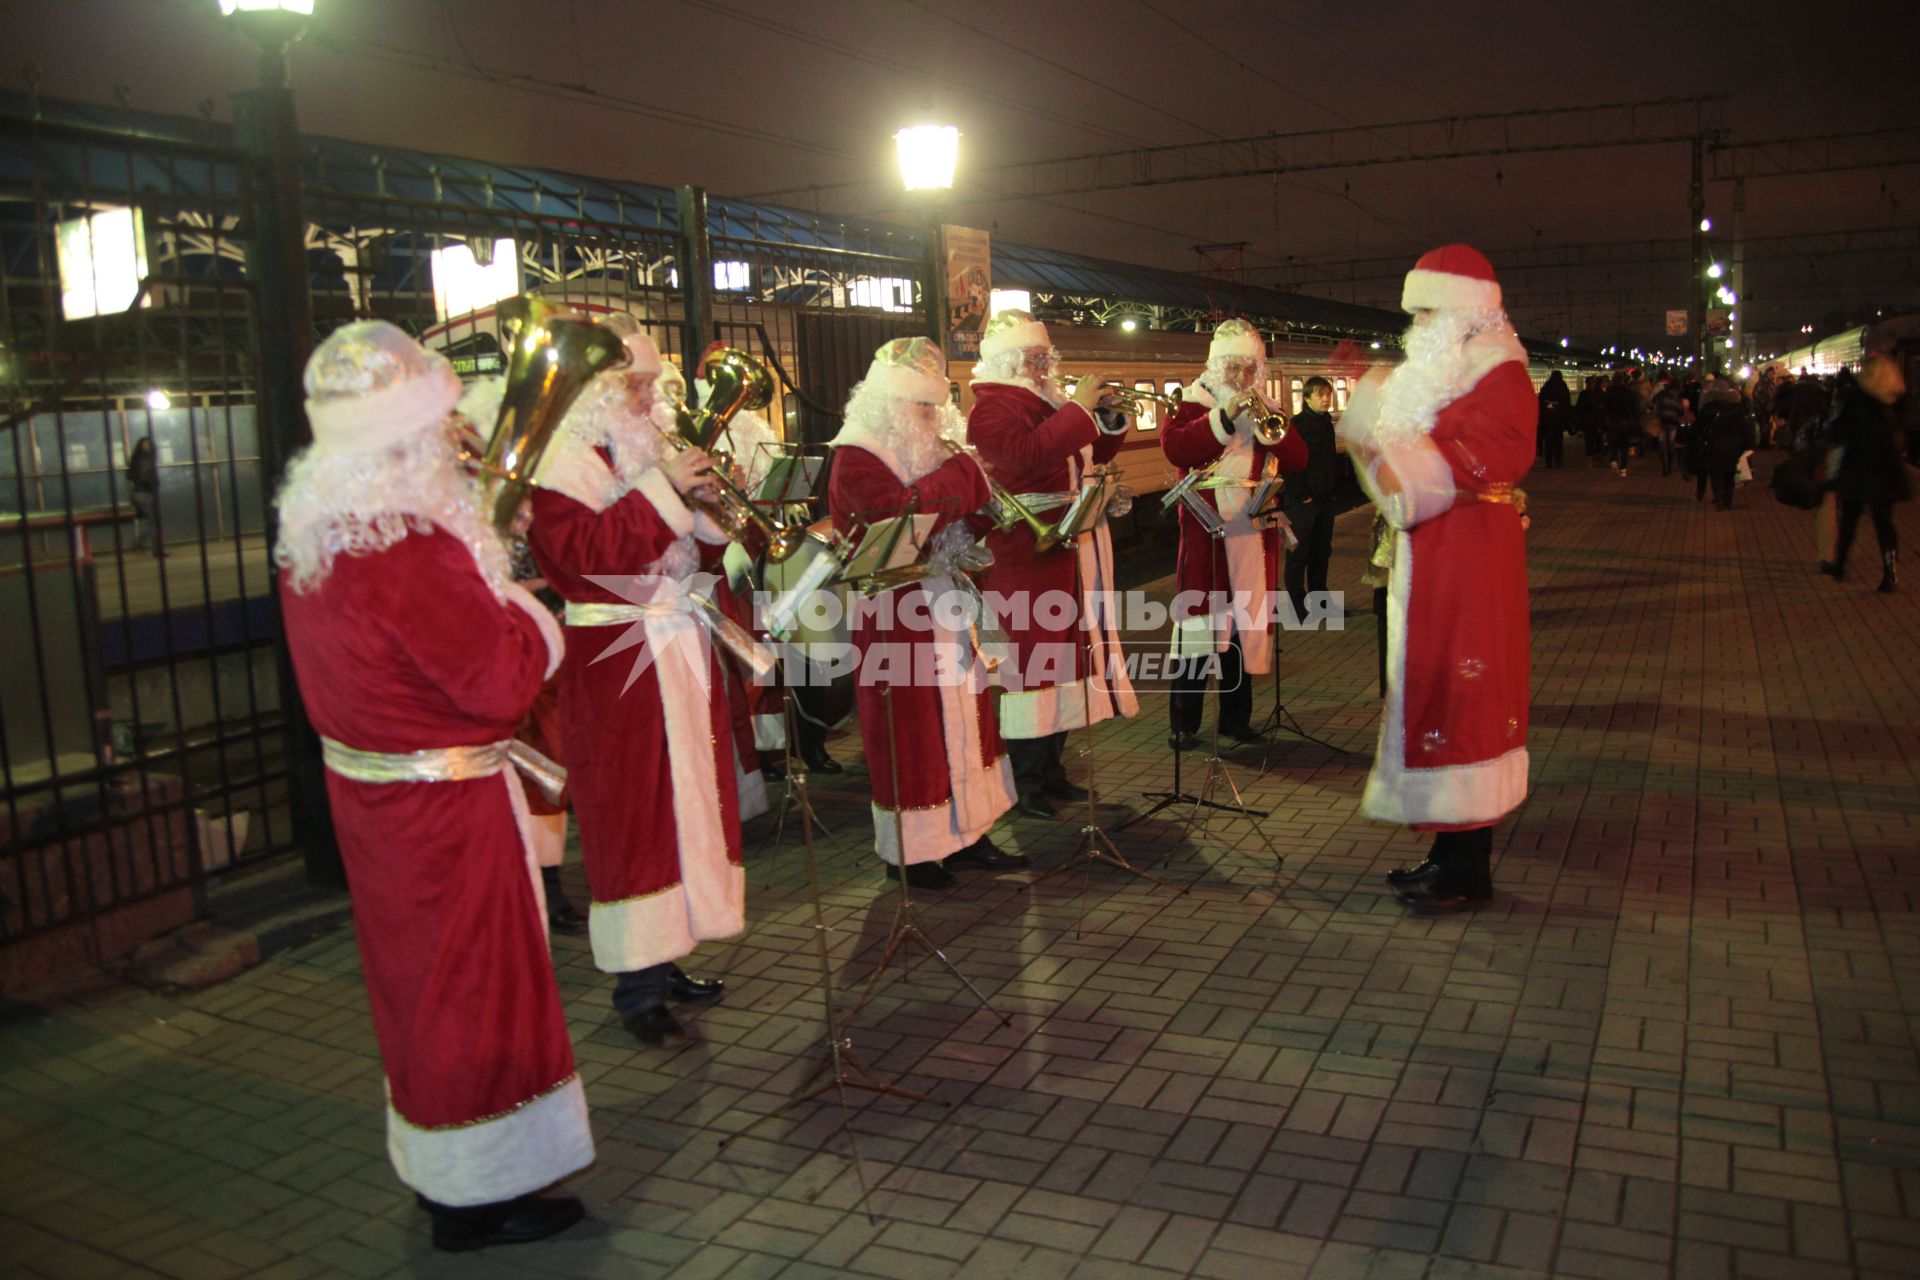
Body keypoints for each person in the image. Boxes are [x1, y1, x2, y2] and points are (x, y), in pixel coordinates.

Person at [275, 321, 592, 1250]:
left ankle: (443, 1176)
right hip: (446, 809)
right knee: (475, 989)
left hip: (378, 803)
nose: (459, 447)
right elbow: (498, 688)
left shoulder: (322, 525)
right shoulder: (412, 545)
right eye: (445, 430)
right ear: (407, 439)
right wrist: (532, 617)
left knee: (414, 990)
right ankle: (481, 1193)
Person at [525, 326, 738, 1049]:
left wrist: (710, 513)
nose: (652, 398)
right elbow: (586, 561)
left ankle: (668, 951)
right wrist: (668, 489)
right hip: (616, 651)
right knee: (633, 814)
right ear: (595, 392)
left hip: (669, 641)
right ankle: (635, 988)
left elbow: (677, 541)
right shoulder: (560, 463)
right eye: (636, 385)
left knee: (683, 805)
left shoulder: (639, 447)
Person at [1336, 245, 1533, 913]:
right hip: (1442, 557)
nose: (1415, 322)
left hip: (1468, 563)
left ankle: (1467, 872)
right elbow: (1419, 454)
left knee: (1464, 698)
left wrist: (1388, 440)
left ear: (1460, 312)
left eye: (1426, 309)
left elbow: (1500, 455)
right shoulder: (1453, 371)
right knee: (1439, 695)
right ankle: (1450, 852)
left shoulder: (1499, 372)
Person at [827, 337, 1022, 887]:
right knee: (910, 732)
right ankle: (910, 852)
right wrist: (963, 477)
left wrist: (981, 509)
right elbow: (893, 520)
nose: (931, 417)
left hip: (945, 597)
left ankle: (968, 832)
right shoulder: (857, 454)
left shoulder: (929, 452)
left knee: (969, 720)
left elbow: (948, 520)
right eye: (920, 407)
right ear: (888, 407)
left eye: (935, 407)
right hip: (895, 610)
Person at [967, 309, 1138, 818]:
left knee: (1065, 665)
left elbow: (1083, 451)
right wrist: (1076, 413)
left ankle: (1052, 771)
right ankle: (1024, 782)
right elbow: (1026, 456)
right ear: (1010, 361)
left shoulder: (1047, 403)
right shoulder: (992, 408)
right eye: (1034, 358)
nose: (1044, 366)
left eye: (1046, 357)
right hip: (1025, 556)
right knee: (1030, 669)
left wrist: (1103, 417)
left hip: (1061, 551)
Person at [1161, 319, 1308, 748]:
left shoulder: (1266, 405)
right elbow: (1178, 448)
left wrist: (1267, 427)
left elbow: (1298, 457)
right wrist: (1225, 416)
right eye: (1234, 369)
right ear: (1216, 366)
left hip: (1252, 530)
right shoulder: (1191, 401)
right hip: (1206, 532)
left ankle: (1235, 719)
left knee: (1243, 630)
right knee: (1198, 630)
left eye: (1249, 369)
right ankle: (1183, 724)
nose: (1242, 379)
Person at [1823, 354, 1910, 591]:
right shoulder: (1897, 400)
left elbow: (1839, 431)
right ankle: (1890, 573)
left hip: (1858, 468)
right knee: (1884, 523)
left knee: (1849, 519)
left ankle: (1839, 565)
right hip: (1887, 471)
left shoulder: (1857, 400)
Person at [1283, 374, 1341, 613]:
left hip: (1324, 499)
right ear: (1306, 398)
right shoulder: (1297, 426)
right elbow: (1287, 464)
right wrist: (1302, 494)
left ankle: (1320, 603)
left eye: (1328, 395)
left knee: (1321, 552)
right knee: (1299, 554)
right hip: (1303, 502)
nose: (1326, 399)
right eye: (1320, 395)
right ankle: (1297, 605)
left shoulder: (1326, 423)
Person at [1697, 378, 1753, 510]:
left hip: (1714, 443)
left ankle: (1718, 497)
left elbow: (1698, 427)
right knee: (1729, 471)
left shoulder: (1708, 408)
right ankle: (1728, 499)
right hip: (1734, 445)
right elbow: (1744, 428)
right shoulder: (1736, 408)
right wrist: (1748, 445)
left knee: (1715, 472)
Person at [126, 436, 164, 557]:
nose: (148, 447)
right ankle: (152, 548)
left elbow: (131, 475)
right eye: (146, 445)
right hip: (145, 493)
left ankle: (141, 543)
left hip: (141, 492)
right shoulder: (144, 460)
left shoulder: (138, 458)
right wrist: (151, 483)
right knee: (154, 522)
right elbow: (144, 476)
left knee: (152, 522)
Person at [1651, 375, 1685, 477]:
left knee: (1662, 444)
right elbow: (1681, 411)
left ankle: (1664, 467)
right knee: (1670, 444)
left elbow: (1655, 402)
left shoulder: (1662, 394)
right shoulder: (1678, 397)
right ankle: (1669, 466)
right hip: (1673, 422)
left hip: (1662, 421)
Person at [1535, 370, 1569, 469]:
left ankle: (1548, 461)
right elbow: (1566, 403)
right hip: (1559, 419)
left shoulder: (1546, 387)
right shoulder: (1563, 387)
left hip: (1547, 419)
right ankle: (1558, 460)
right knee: (1558, 441)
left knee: (1548, 441)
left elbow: (1540, 403)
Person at [1574, 375, 1607, 466]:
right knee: (1598, 440)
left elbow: (1578, 408)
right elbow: (1604, 408)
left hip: (1587, 421)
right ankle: (1599, 459)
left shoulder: (1583, 394)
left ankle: (1590, 461)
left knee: (1589, 441)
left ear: (1586, 383)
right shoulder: (1600, 394)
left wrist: (1578, 421)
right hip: (1598, 421)